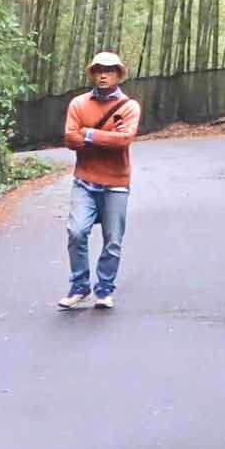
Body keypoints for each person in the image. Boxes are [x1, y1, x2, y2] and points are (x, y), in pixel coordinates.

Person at [62, 52, 138, 310]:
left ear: (119, 74)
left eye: (109, 70)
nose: (103, 75)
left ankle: (104, 289)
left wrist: (88, 133)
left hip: (116, 182)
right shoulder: (78, 104)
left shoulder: (129, 107)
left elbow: (124, 140)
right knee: (76, 231)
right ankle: (79, 286)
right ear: (92, 74)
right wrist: (105, 137)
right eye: (98, 70)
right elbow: (70, 139)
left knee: (113, 239)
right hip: (84, 180)